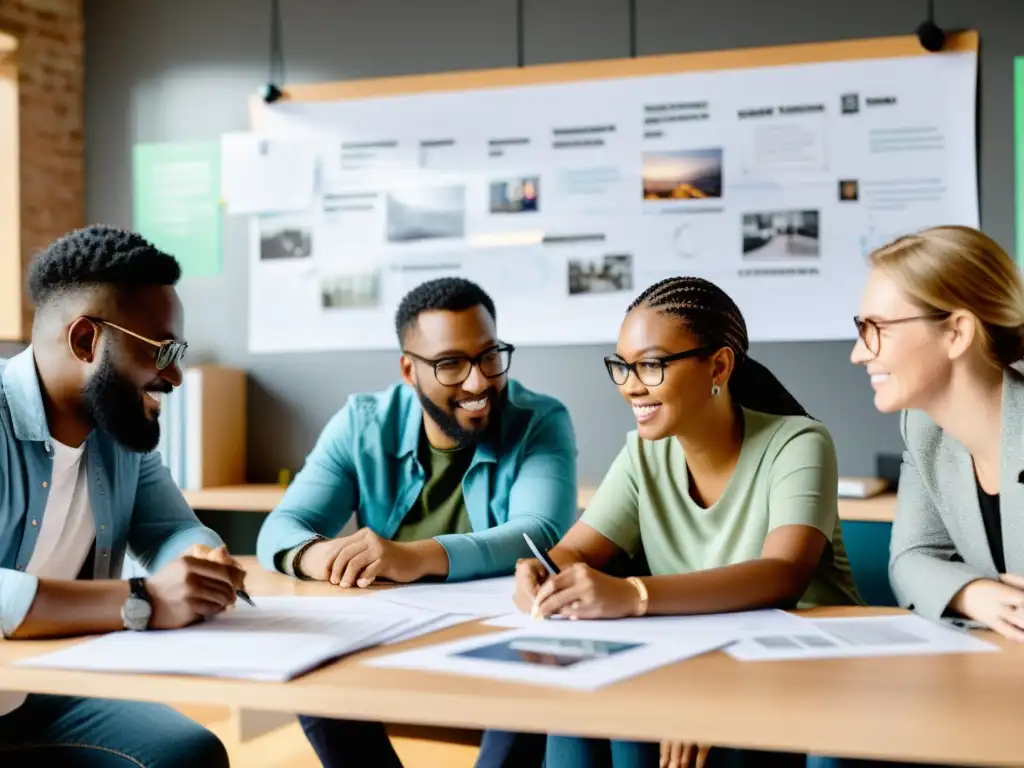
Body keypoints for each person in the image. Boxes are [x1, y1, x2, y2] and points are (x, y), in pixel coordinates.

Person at [512, 276, 863, 768]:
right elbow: (576, 552)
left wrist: (633, 595)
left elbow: (783, 575)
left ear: (718, 365)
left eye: (651, 365)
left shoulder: (799, 443)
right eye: (622, 367)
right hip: (696, 651)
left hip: (799, 662)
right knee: (582, 710)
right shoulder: (641, 454)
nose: (631, 386)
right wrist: (545, 573)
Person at [256, 276, 577, 768]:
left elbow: (539, 534)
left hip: (504, 641)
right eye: (450, 364)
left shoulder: (539, 420)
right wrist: (320, 555)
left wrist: (413, 556)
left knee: (538, 674)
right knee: (309, 666)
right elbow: (283, 527)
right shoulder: (362, 424)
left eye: (490, 356)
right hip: (396, 633)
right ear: (409, 370)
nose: (478, 382)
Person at [0, 225, 248, 766]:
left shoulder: (119, 436)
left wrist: (196, 566)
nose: (177, 376)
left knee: (189, 755)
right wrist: (147, 600)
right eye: (163, 350)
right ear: (86, 340)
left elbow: (171, 529)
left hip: (38, 689)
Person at [851, 225, 1024, 639]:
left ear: (956, 332)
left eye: (878, 328)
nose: (858, 353)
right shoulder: (923, 426)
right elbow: (911, 559)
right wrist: (973, 594)